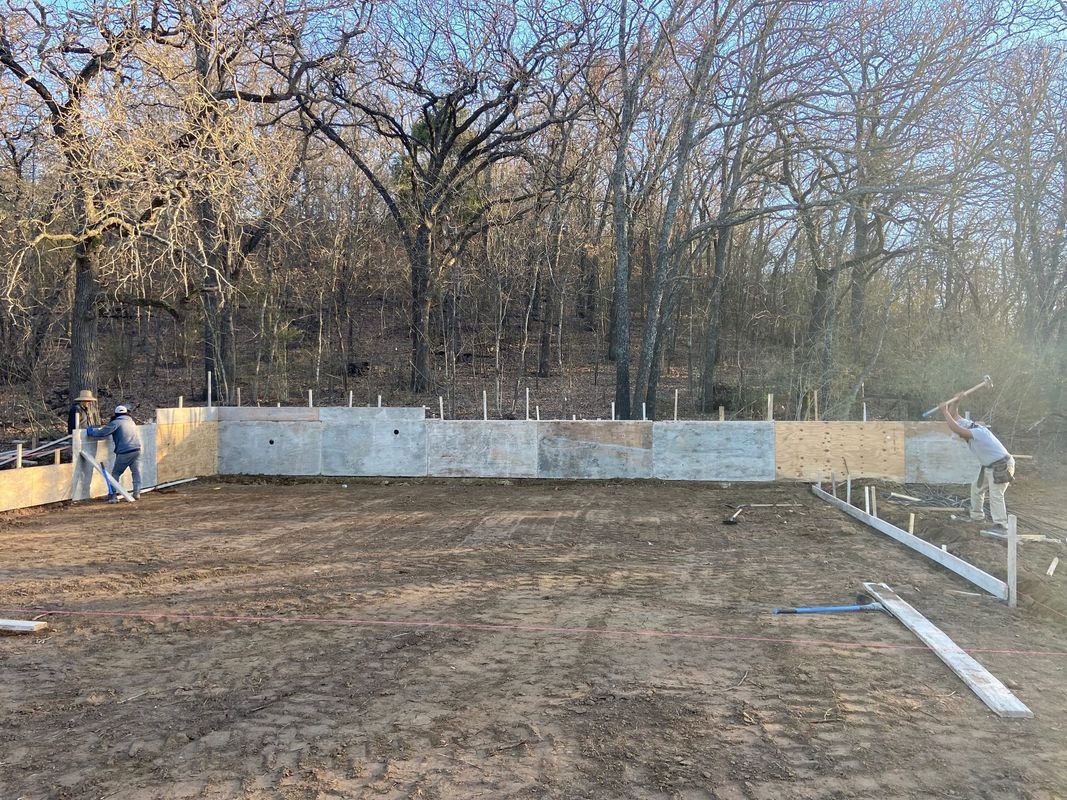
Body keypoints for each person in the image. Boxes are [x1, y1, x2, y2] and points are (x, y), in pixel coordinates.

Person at [939, 397, 1014, 531]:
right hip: (988, 466)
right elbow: (955, 416)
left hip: (1001, 465)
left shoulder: (979, 433)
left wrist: (944, 412)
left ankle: (1001, 525)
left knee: (996, 494)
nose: (963, 438)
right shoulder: (967, 425)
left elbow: (957, 428)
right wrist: (956, 402)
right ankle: (977, 516)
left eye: (963, 436)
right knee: (977, 489)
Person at [87, 405, 143, 502]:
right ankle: (137, 492)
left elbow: (103, 432)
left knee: (116, 473)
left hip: (125, 451)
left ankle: (113, 496)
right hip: (136, 450)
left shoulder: (116, 422)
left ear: (116, 414)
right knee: (136, 472)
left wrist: (92, 432)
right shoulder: (131, 422)